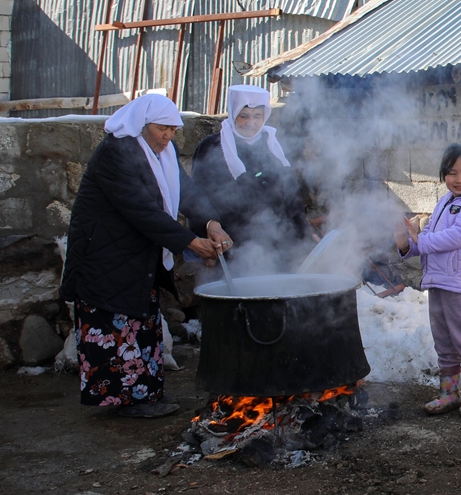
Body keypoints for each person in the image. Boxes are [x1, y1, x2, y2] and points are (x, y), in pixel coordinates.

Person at [60, 94, 233, 418]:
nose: (168, 136)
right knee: (116, 326)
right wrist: (189, 242)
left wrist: (212, 224)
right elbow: (141, 210)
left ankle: (145, 396)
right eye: (162, 128)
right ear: (142, 124)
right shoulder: (116, 152)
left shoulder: (161, 154)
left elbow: (188, 192)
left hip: (135, 258)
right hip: (105, 256)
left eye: (173, 129)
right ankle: (126, 401)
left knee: (141, 324)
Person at [394, 143, 461, 417]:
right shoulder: (445, 201)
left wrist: (422, 238)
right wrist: (406, 244)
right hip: (437, 280)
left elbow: (457, 237)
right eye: (452, 173)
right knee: (443, 339)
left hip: (459, 282)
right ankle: (449, 392)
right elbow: (429, 239)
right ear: (444, 174)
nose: (459, 179)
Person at [191, 84, 313, 260]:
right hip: (230, 244)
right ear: (233, 113)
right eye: (244, 116)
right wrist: (206, 243)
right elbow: (198, 196)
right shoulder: (211, 147)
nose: (251, 123)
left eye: (258, 116)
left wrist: (303, 240)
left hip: (277, 241)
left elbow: (292, 198)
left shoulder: (275, 147)